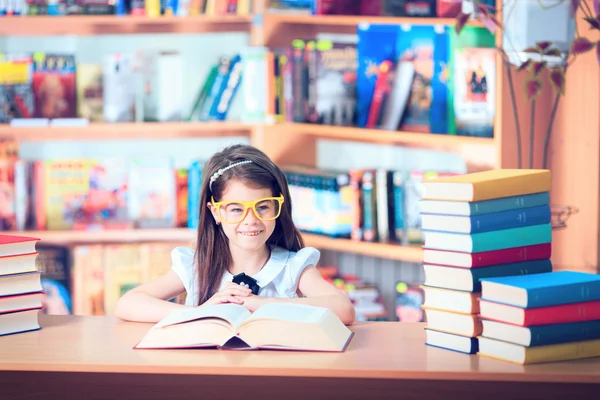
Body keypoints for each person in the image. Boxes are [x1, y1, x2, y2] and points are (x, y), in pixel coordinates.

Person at [114, 144, 356, 325]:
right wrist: (202, 312)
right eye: (236, 209)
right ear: (215, 212)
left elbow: (343, 309)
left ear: (278, 207)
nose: (250, 220)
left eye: (262, 207)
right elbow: (127, 304)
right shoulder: (196, 267)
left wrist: (261, 305)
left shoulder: (293, 268)